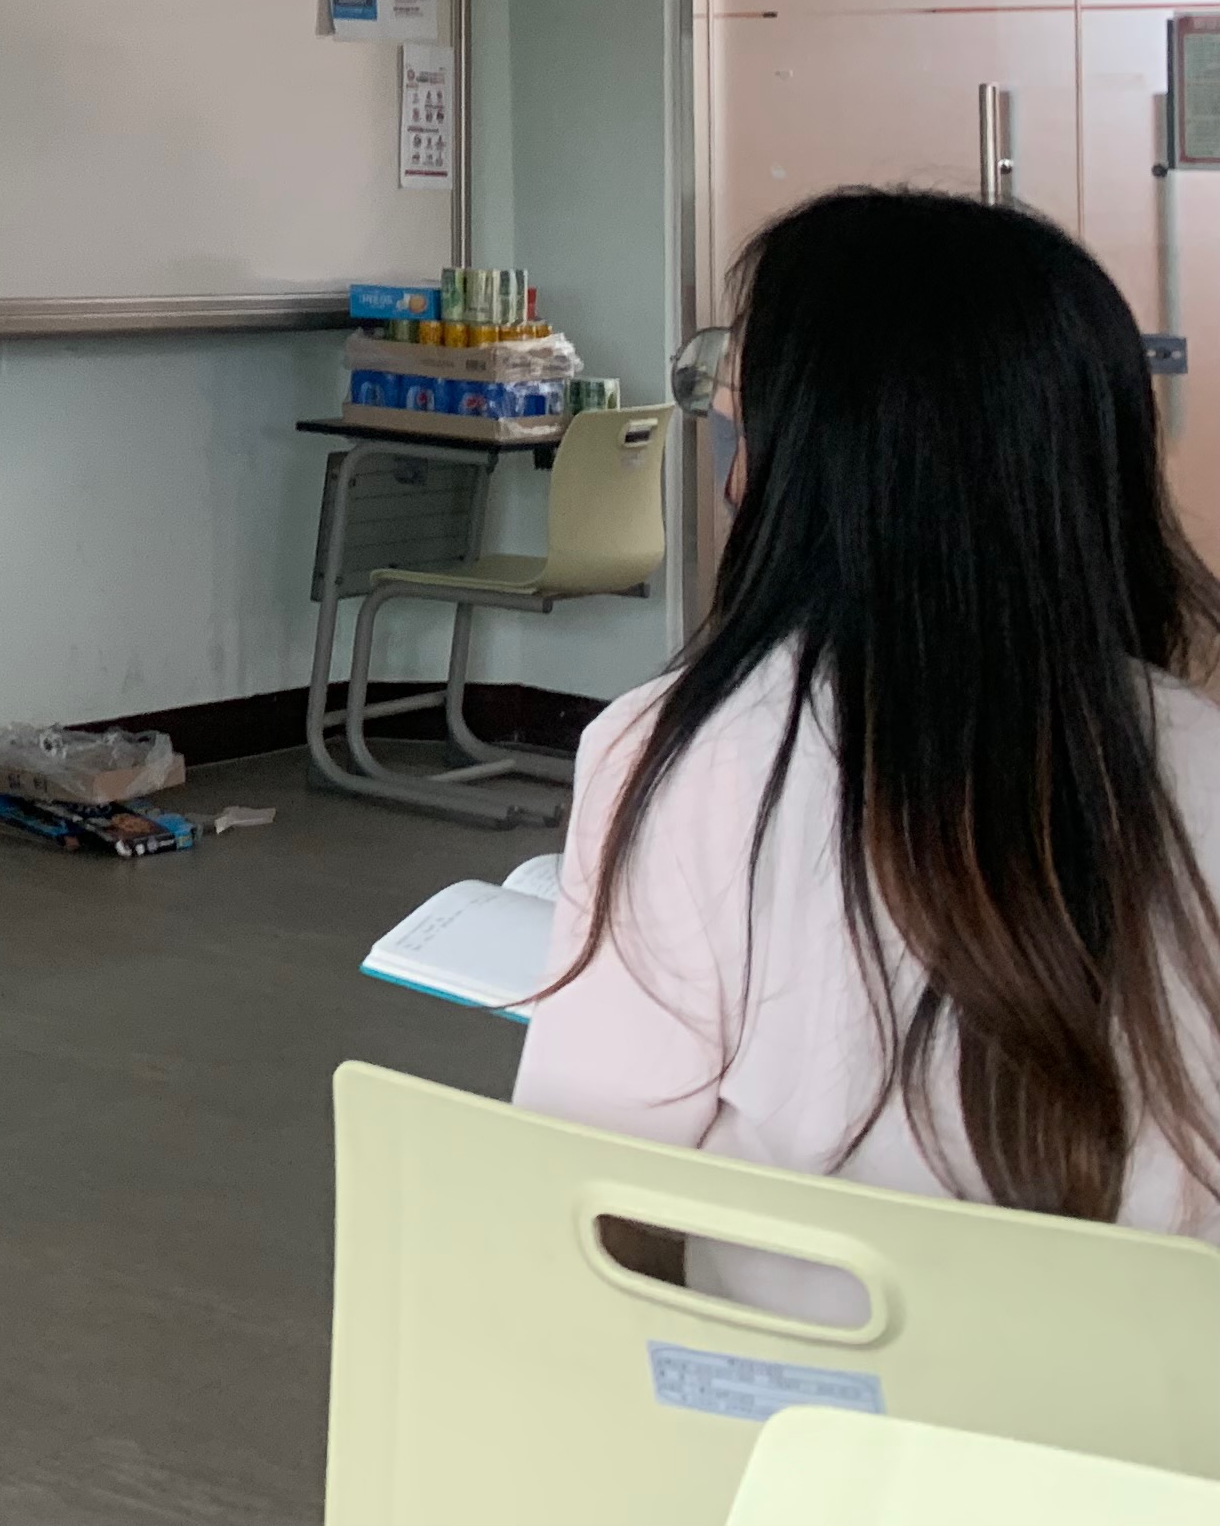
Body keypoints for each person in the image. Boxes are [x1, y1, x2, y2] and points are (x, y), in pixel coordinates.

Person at [518, 187, 1220, 1314]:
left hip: (799, 1403)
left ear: (804, 467)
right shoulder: (1200, 750)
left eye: (740, 419)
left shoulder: (686, 756)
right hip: (1160, 1407)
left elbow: (584, 1184)